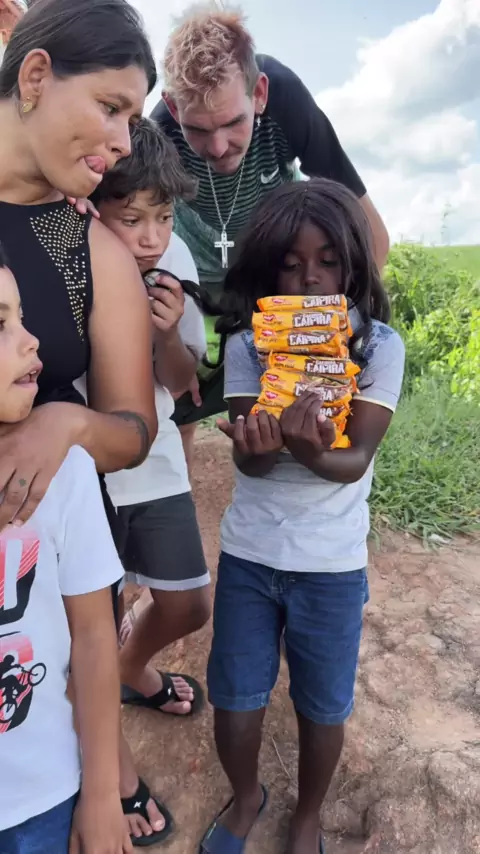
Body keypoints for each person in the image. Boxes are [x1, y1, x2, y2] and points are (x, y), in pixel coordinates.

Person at [0, 0, 168, 844]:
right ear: (35, 76)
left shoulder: (90, 247)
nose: (124, 141)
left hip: (49, 529)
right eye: (110, 106)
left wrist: (63, 422)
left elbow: (134, 429)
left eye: (132, 119)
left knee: (59, 676)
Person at [200, 179, 405, 854]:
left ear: (353, 267)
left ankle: (308, 815)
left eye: (328, 262)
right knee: (235, 696)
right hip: (251, 556)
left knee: (323, 705)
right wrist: (260, 445)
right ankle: (245, 797)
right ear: (269, 271)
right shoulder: (248, 347)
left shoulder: (377, 348)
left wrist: (311, 447)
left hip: (331, 565)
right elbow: (251, 464)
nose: (310, 278)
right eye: (291, 264)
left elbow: (356, 458)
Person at [150, 4, 390, 440]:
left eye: (233, 123)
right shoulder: (160, 130)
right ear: (172, 106)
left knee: (285, 380)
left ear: (259, 94)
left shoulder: (286, 98)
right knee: (182, 401)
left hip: (274, 265)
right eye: (198, 130)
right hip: (198, 270)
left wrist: (343, 324)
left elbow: (371, 232)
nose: (218, 147)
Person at [86, 116, 212, 843]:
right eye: (130, 219)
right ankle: (117, 774)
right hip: (87, 468)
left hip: (154, 452)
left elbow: (181, 379)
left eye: (161, 217)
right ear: (91, 205)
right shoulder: (71, 251)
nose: (150, 236)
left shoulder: (174, 260)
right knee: (91, 628)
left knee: (189, 603)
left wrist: (166, 331)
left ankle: (134, 669)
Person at [0, 245, 130, 854]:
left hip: (42, 798)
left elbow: (95, 635)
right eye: (0, 324)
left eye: (22, 316)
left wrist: (102, 795)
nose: (32, 340)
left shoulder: (65, 473)